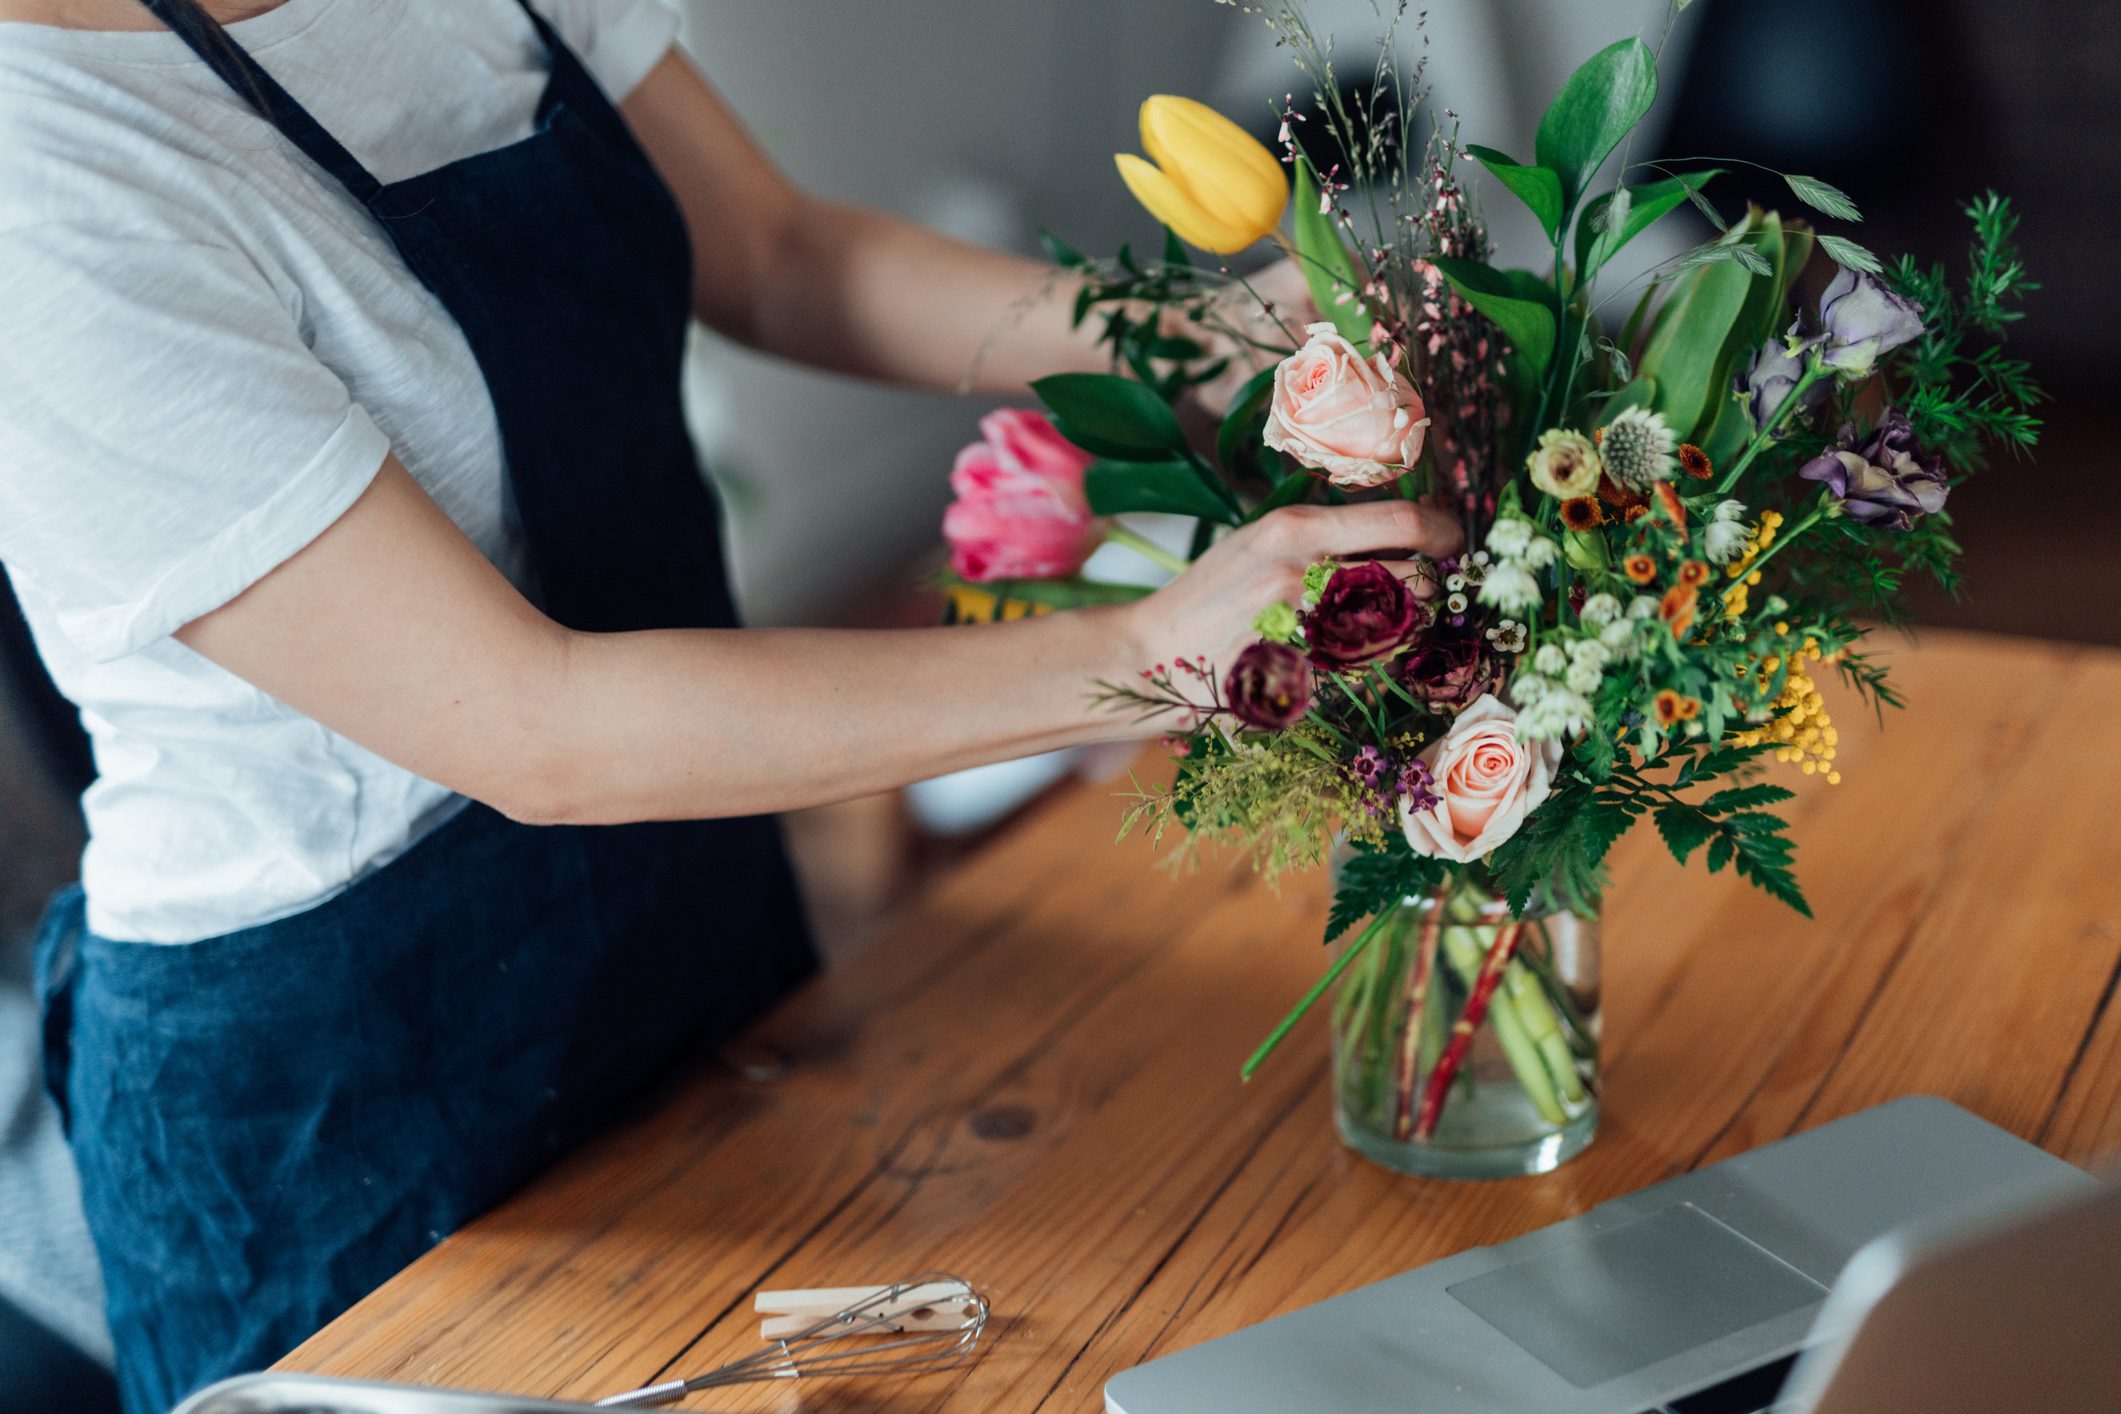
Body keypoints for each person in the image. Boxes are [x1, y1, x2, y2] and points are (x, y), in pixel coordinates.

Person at [0, 1, 1461, 1409]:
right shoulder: (41, 182)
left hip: (679, 885)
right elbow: (534, 724)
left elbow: (777, 255)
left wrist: (1203, 337)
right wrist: (1147, 651)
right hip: (349, 1077)